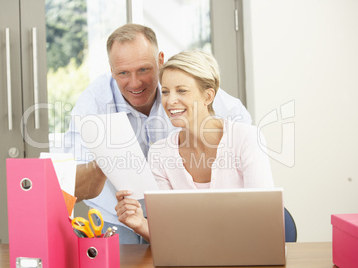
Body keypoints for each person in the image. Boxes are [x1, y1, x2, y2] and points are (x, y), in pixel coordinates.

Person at [64, 23, 252, 244]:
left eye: (144, 69)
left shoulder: (191, 92)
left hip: (182, 219)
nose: (135, 82)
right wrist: (104, 160)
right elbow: (69, 185)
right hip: (117, 220)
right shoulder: (94, 102)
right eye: (123, 73)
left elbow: (244, 137)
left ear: (160, 60)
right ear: (111, 68)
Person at [114, 50, 274, 242]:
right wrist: (140, 224)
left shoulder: (246, 139)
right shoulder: (160, 153)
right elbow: (168, 233)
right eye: (165, 91)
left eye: (181, 90)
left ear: (208, 97)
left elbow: (263, 222)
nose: (170, 100)